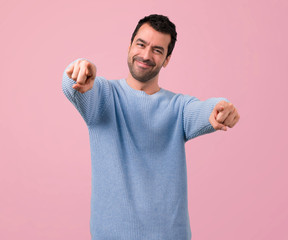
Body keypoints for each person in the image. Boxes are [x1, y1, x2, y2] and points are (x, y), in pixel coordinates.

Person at [62, 14, 239, 240]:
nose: (146, 55)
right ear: (129, 46)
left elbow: (205, 110)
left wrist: (220, 109)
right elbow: (73, 87)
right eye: (141, 44)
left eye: (157, 50)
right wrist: (78, 69)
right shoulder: (103, 96)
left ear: (166, 59)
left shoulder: (179, 107)